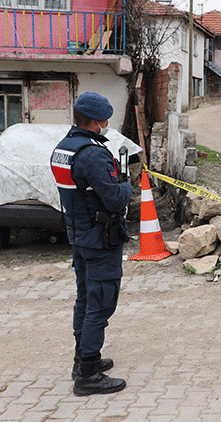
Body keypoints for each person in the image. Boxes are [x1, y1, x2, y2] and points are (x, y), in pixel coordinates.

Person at [50, 92, 132, 396]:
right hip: (100, 238)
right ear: (96, 122)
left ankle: (83, 358)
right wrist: (126, 185)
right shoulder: (93, 154)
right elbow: (113, 197)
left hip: (78, 234)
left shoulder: (63, 148)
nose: (108, 123)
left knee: (85, 298)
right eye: (105, 119)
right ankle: (87, 374)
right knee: (101, 302)